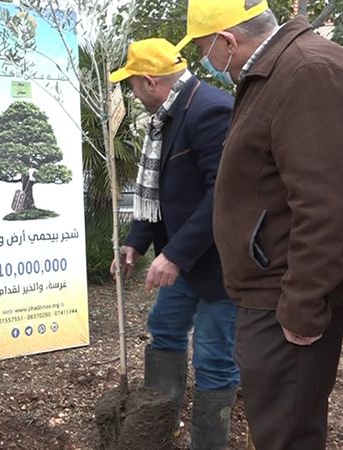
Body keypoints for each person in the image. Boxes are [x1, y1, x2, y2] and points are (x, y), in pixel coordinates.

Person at [175, 0, 343, 448]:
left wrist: (302, 305)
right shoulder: (276, 73)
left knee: (286, 432)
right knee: (276, 424)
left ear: (227, 41)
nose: (206, 62)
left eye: (205, 49)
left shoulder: (307, 73)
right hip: (273, 284)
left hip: (288, 292)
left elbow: (327, 202)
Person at [108, 38, 238, 449]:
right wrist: (136, 241)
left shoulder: (209, 110)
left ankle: (209, 444)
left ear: (150, 82)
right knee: (164, 330)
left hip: (220, 266)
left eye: (131, 85)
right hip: (182, 261)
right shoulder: (167, 116)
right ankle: (158, 428)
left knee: (214, 361)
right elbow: (161, 191)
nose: (131, 94)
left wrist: (175, 255)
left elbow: (224, 195)